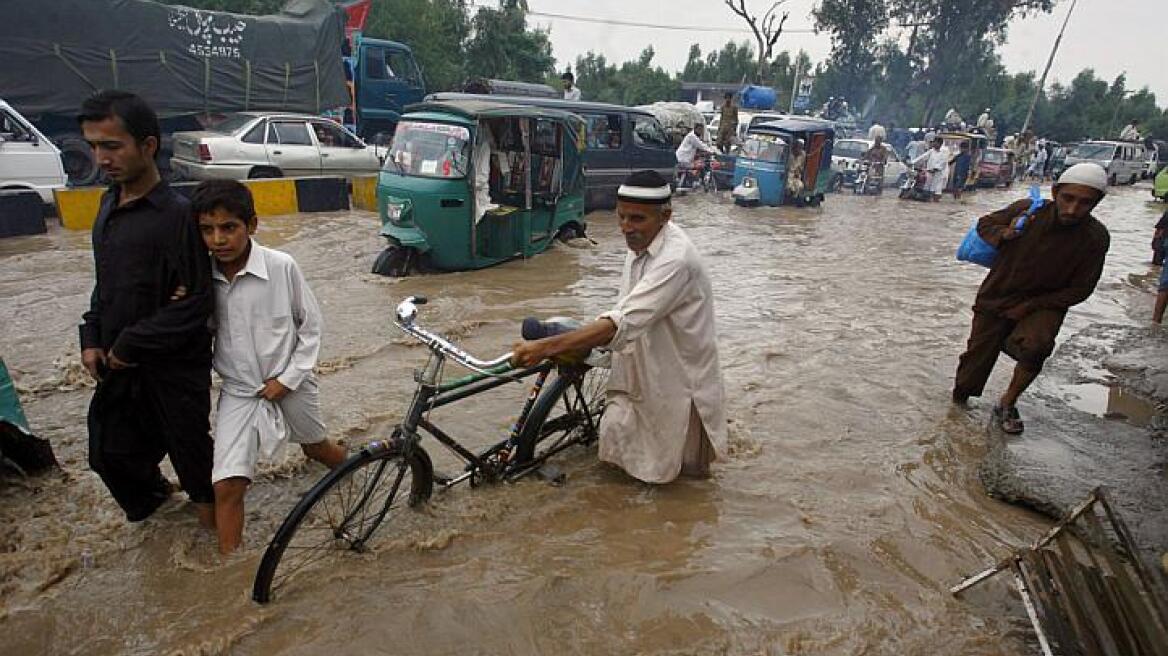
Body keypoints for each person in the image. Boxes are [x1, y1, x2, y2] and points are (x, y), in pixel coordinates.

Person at [510, 170, 727, 483]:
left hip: (677, 369)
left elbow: (624, 320)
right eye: (621, 217)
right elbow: (626, 308)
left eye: (637, 219)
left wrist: (544, 348)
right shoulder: (640, 244)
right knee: (627, 441)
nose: (626, 228)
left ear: (666, 216)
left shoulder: (677, 259)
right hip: (638, 351)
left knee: (679, 466)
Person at [78, 90, 215, 524]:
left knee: (194, 462)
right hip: (118, 362)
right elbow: (106, 283)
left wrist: (132, 342)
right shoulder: (107, 205)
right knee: (108, 454)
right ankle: (159, 513)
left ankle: (218, 555)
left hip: (173, 367)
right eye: (94, 146)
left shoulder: (179, 216)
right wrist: (92, 337)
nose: (101, 158)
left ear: (148, 146)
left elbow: (197, 301)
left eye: (112, 146)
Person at [191, 180, 347, 554]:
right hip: (239, 393)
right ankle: (230, 572)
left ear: (252, 225)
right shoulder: (199, 278)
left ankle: (363, 473)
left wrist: (288, 379)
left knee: (317, 450)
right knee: (227, 484)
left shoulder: (281, 267)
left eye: (229, 227)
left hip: (290, 383)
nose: (218, 239)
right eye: (207, 230)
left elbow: (311, 327)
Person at [952, 163, 1111, 434]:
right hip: (998, 295)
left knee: (1037, 346)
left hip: (1045, 303)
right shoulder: (1030, 210)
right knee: (973, 364)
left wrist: (1031, 306)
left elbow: (1081, 289)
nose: (1073, 209)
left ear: (1097, 203)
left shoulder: (1095, 238)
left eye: (1085, 203)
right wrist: (1005, 233)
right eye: (1068, 198)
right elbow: (985, 223)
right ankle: (957, 406)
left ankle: (1007, 402)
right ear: (1055, 192)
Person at [913, 136, 951, 202]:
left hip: (939, 174)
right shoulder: (931, 151)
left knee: (937, 190)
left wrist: (935, 169)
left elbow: (943, 162)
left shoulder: (945, 151)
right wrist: (913, 162)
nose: (933, 144)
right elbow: (923, 157)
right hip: (930, 172)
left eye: (935, 142)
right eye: (933, 142)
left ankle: (935, 203)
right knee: (927, 188)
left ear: (939, 143)